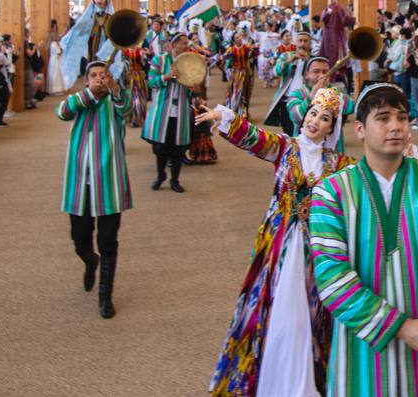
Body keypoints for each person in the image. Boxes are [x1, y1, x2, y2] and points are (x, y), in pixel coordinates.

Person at [309, 83, 418, 396]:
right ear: (360, 130)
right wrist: (401, 327)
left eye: (402, 118)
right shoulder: (331, 193)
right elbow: (332, 281)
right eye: (383, 118)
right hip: (362, 353)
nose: (396, 127)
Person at [198, 87, 356, 396]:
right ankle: (265, 375)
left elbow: (368, 175)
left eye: (324, 118)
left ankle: (308, 377)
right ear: (304, 116)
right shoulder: (285, 147)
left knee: (311, 312)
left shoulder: (338, 164)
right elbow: (255, 138)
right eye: (313, 113)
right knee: (272, 306)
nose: (315, 121)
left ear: (330, 128)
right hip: (278, 243)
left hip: (316, 250)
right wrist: (225, 118)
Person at [56, 60, 133, 319]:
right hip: (80, 183)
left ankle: (105, 296)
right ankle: (90, 261)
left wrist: (113, 88)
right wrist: (89, 94)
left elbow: (129, 110)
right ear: (86, 80)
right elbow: (61, 112)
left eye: (104, 75)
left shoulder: (115, 100)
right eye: (94, 75)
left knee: (108, 241)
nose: (100, 78)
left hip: (109, 181)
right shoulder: (78, 100)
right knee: (79, 239)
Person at [143, 33, 196, 193]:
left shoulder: (190, 62)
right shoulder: (159, 60)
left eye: (187, 43)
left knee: (178, 147)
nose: (186, 46)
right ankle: (161, 175)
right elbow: (151, 82)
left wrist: (194, 89)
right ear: (174, 45)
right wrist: (165, 77)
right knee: (160, 147)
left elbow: (195, 87)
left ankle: (175, 179)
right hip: (162, 110)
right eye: (183, 43)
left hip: (181, 111)